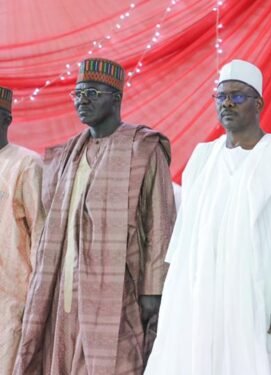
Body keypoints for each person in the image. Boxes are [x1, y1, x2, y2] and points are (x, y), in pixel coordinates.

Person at [145, 59, 271, 375]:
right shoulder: (203, 159)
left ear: (259, 104)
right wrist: (171, 297)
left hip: (260, 292)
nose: (227, 102)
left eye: (238, 96)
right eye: (221, 96)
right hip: (203, 293)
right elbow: (184, 234)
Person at [13, 58, 176, 375]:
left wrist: (153, 291)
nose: (82, 100)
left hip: (119, 290)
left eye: (91, 92)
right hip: (64, 288)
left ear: (116, 98)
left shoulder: (143, 148)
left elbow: (161, 225)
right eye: (77, 94)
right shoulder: (67, 154)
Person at [0, 85, 44, 375]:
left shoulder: (26, 164)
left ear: (6, 120)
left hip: (12, 298)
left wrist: (36, 300)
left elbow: (41, 236)